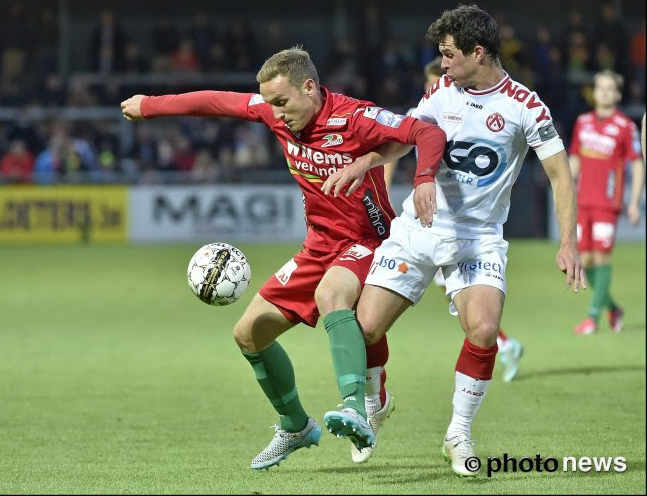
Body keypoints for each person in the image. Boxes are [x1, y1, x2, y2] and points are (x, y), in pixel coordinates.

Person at [120, 46, 446, 470]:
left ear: (309, 87)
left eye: (281, 102)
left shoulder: (354, 117)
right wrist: (150, 106)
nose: (274, 112)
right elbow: (215, 101)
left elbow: (427, 134)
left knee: (334, 296)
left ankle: (355, 407)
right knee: (248, 334)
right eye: (269, 103)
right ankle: (295, 425)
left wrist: (422, 179)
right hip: (318, 244)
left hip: (367, 238)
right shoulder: (274, 113)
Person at [322, 4, 585, 476]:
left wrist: (569, 241)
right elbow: (405, 136)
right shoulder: (442, 93)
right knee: (364, 332)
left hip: (477, 239)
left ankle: (458, 433)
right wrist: (363, 163)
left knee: (484, 330)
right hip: (419, 230)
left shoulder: (526, 107)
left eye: (448, 55)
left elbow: (560, 175)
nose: (442, 64)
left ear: (477, 52)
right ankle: (374, 402)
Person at [383, 56, 525, 386]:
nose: (438, 85)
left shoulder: (469, 111)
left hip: (461, 230)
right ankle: (503, 343)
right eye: (433, 80)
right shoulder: (424, 113)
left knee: (470, 309)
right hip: (429, 222)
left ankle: (503, 344)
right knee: (462, 304)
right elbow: (395, 148)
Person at [569, 71, 644, 335]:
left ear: (618, 94)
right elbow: (575, 157)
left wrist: (633, 202)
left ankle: (592, 317)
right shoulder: (583, 122)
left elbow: (636, 162)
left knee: (601, 257)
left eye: (609, 88)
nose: (603, 92)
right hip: (581, 202)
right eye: (599, 87)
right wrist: (565, 187)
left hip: (606, 203)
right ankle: (613, 308)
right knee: (584, 261)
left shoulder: (625, 127)